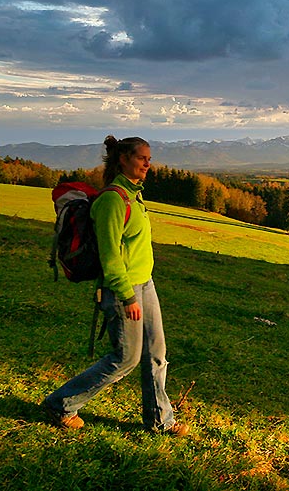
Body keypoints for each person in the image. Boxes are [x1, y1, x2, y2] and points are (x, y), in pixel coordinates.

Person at [42, 135, 188, 436]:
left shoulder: (134, 195)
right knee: (125, 359)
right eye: (142, 158)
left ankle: (160, 420)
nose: (148, 163)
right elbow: (110, 256)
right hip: (124, 289)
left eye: (149, 157)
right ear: (124, 159)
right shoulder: (112, 200)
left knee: (156, 354)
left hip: (145, 284)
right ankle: (61, 404)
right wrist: (126, 296)